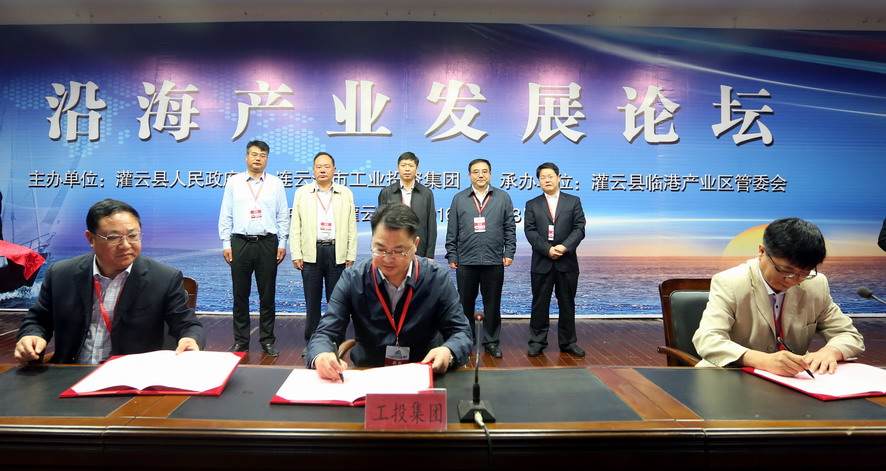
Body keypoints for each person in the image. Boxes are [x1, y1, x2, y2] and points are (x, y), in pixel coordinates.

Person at [14, 199, 204, 365]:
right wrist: (32, 336)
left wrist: (190, 339)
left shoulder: (164, 278)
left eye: (133, 235)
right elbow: (38, 320)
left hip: (131, 377)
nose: (126, 245)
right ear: (91, 239)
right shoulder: (61, 273)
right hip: (70, 372)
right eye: (113, 238)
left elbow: (188, 325)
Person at [306, 203, 472, 381]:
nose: (387, 258)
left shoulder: (436, 278)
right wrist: (321, 355)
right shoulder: (353, 278)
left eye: (399, 251)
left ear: (415, 245)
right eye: (380, 249)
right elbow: (326, 332)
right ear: (372, 241)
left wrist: (449, 351)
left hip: (422, 373)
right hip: (368, 374)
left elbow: (461, 332)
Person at [693, 217, 864, 376]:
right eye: (785, 270)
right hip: (733, 375)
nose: (794, 280)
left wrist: (830, 351)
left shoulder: (816, 284)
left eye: (804, 273)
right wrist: (763, 360)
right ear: (762, 251)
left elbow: (849, 335)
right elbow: (707, 339)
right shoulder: (730, 282)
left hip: (793, 380)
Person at [218, 140, 289, 356]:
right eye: (254, 154)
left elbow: (283, 215)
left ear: (267, 159)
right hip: (240, 242)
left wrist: (282, 242)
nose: (258, 158)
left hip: (268, 242)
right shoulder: (234, 182)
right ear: (247, 157)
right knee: (240, 294)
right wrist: (226, 243)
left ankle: (267, 340)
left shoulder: (276, 183)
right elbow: (226, 213)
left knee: (267, 295)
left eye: (263, 155)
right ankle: (241, 341)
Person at [445, 158, 516, 358]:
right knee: (464, 305)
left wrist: (509, 252)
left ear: (490, 174)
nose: (480, 175)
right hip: (466, 261)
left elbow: (510, 227)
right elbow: (452, 229)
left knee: (492, 304)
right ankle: (466, 342)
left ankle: (491, 342)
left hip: (494, 261)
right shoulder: (460, 198)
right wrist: (452, 253)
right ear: (469, 175)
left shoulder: (503, 197)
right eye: (476, 171)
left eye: (484, 171)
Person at [290, 152, 357, 349]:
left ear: (334, 170)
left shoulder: (345, 193)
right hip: (311, 252)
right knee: (312, 302)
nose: (322, 170)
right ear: (313, 170)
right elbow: (295, 226)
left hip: (337, 252)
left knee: (336, 302)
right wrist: (296, 253)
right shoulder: (302, 193)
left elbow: (351, 226)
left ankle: (335, 343)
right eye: (318, 166)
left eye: (327, 166)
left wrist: (350, 253)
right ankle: (312, 344)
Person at [524, 162, 586, 358]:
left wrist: (564, 247)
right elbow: (530, 231)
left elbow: (579, 228)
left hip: (567, 262)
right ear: (538, 181)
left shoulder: (573, 201)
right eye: (543, 177)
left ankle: (568, 342)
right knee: (539, 303)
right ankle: (537, 342)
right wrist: (547, 249)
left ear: (559, 178)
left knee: (567, 303)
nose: (547, 180)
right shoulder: (532, 204)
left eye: (550, 176)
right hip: (542, 262)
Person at [377, 151, 437, 260]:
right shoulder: (387, 193)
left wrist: (430, 255)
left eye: (411, 166)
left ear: (417, 168)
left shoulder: (426, 193)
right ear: (398, 168)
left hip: (419, 250)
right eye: (403, 165)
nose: (407, 169)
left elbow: (431, 225)